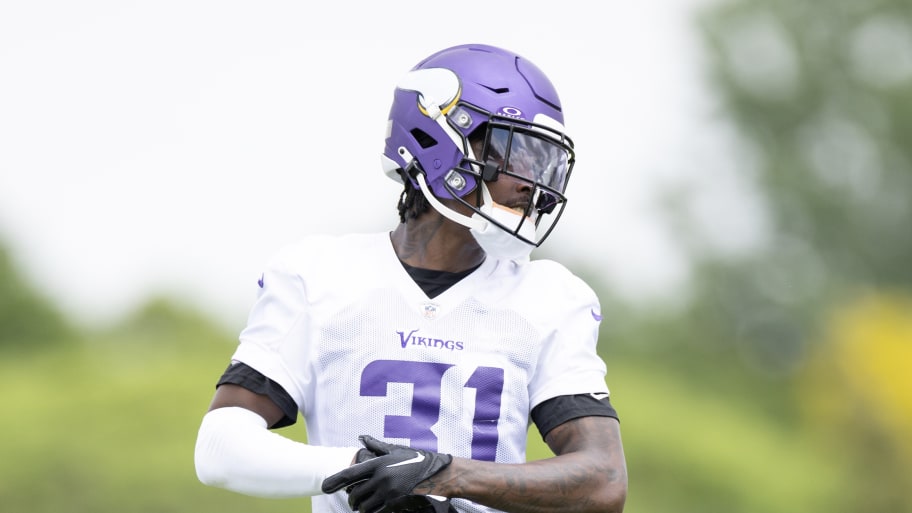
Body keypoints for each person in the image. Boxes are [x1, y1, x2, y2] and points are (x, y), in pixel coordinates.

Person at [194, 43, 628, 513]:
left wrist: (439, 473)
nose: (530, 182)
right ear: (438, 140)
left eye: (543, 162)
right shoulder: (318, 274)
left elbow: (603, 480)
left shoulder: (552, 298)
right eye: (516, 153)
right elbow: (220, 446)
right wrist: (366, 467)